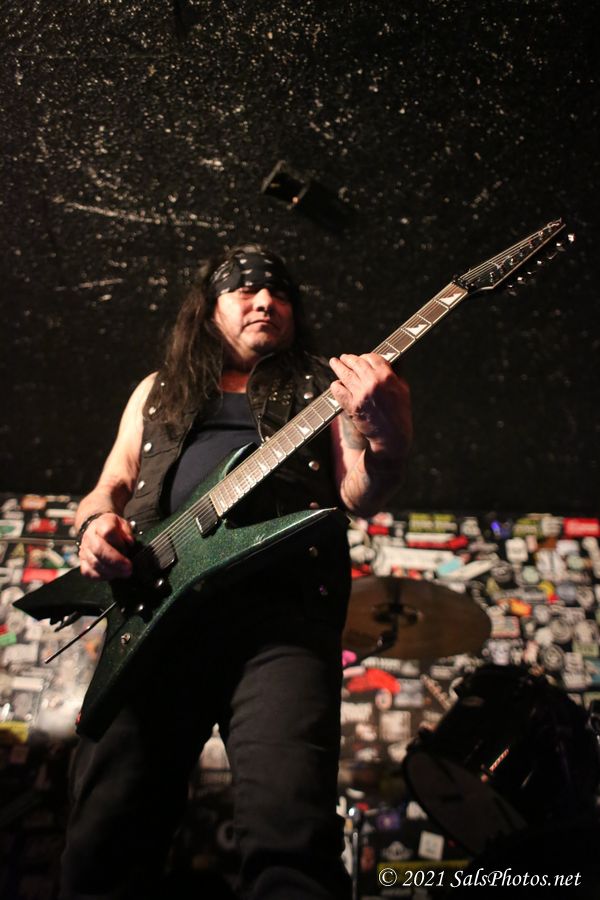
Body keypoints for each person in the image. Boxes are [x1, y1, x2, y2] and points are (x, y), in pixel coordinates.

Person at [60, 244, 412, 900]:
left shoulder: (323, 388)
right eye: (245, 288)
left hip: (282, 626)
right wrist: (94, 525)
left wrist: (388, 443)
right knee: (105, 838)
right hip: (154, 621)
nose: (266, 300)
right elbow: (110, 485)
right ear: (208, 307)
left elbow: (357, 493)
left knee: (291, 837)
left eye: (280, 292)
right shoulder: (157, 389)